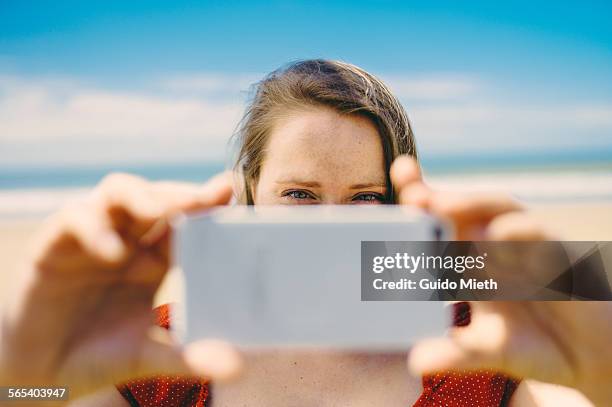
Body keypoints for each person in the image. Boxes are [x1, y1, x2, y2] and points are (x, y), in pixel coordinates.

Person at [1, 60, 610, 406]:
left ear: (401, 203)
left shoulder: (476, 344)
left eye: (365, 198)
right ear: (249, 193)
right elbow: (31, 396)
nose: (331, 225)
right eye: (299, 195)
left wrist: (601, 367)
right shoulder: (162, 350)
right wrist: (23, 369)